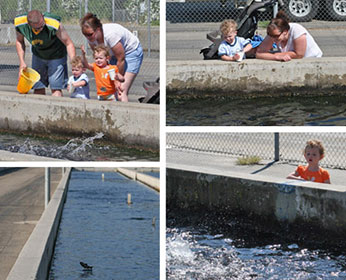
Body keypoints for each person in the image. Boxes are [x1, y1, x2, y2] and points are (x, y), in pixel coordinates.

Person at [80, 13, 143, 102]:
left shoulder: (111, 35)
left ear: (98, 29)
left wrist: (117, 80)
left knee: (121, 90)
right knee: (112, 91)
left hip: (131, 52)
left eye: (90, 34)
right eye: (85, 35)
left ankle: (125, 114)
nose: (88, 37)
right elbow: (99, 58)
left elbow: (121, 59)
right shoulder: (91, 39)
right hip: (112, 55)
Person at [14, 10, 75, 96]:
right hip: (38, 55)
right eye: (37, 28)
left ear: (43, 17)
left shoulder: (53, 24)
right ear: (29, 25)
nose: (41, 28)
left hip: (56, 55)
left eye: (42, 25)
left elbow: (69, 43)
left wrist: (74, 62)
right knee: (38, 86)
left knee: (55, 88)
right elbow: (19, 41)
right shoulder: (20, 24)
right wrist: (22, 62)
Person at [256, 11, 322, 62]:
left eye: (276, 36)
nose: (273, 38)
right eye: (270, 35)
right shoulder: (273, 32)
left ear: (285, 32)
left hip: (312, 60)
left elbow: (299, 55)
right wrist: (276, 57)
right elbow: (259, 53)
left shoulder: (297, 29)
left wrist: (274, 55)